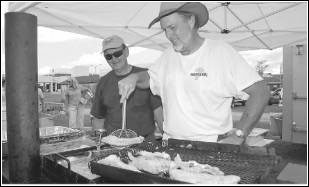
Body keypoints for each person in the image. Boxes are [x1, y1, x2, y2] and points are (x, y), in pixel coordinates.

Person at [118, 2, 270, 144]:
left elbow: (260, 91)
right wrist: (135, 77)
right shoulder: (167, 56)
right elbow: (150, 79)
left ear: (190, 21)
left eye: (172, 27)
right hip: (171, 145)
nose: (169, 35)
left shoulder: (220, 52)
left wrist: (240, 134)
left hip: (210, 145)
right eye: (165, 30)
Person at [90, 35, 164, 141]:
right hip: (114, 145)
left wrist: (168, 140)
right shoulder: (103, 82)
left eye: (117, 54)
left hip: (145, 144)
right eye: (108, 56)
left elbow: (159, 113)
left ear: (126, 52)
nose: (114, 59)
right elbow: (98, 118)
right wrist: (99, 143)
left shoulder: (145, 77)